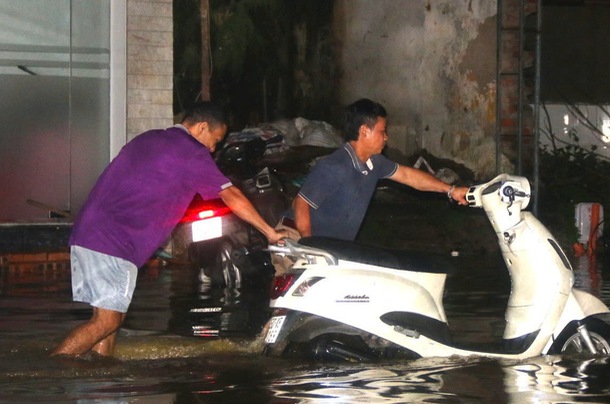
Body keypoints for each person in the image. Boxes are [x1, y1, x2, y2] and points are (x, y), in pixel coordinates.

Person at [51, 102, 286, 358]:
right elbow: (230, 194)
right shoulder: (190, 152)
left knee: (110, 320)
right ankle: (54, 369)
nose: (213, 148)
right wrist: (269, 232)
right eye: (215, 140)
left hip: (90, 232)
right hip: (113, 241)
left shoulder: (148, 138)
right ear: (202, 127)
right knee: (107, 322)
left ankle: (100, 380)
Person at [288, 97, 469, 240]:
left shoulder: (375, 162)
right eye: (382, 131)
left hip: (329, 250)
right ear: (364, 131)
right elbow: (301, 203)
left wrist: (450, 190)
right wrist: (308, 246)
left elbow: (408, 175)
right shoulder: (335, 166)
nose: (386, 138)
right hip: (296, 239)